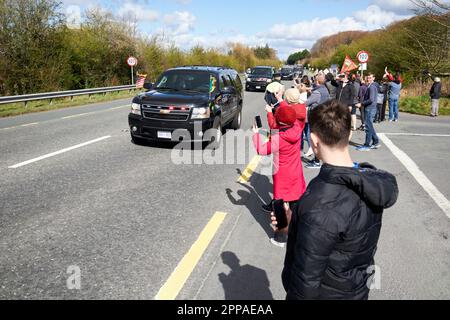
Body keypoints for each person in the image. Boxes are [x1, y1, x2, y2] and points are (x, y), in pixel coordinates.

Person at [272, 100, 399, 300]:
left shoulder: (319, 204)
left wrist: (290, 228)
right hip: (357, 289)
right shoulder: (371, 183)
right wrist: (293, 224)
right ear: (349, 134)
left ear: (314, 140)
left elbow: (306, 281)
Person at [253, 106, 306, 248]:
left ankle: (281, 237)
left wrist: (256, 134)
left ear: (279, 121)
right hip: (296, 172)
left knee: (280, 206)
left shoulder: (279, 138)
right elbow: (283, 122)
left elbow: (262, 149)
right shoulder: (297, 127)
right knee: (295, 203)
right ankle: (297, 232)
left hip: (282, 175)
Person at [304, 73, 331, 169]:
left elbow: (306, 103)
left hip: (314, 117)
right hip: (322, 116)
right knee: (319, 139)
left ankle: (316, 161)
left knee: (314, 140)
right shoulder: (325, 90)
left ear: (317, 81)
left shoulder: (317, 92)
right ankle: (318, 159)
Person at [356, 73, 381, 151]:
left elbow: (371, 99)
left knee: (367, 127)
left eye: (370, 78)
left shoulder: (372, 87)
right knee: (370, 126)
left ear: (373, 78)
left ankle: (367, 145)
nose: (368, 79)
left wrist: (361, 103)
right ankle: (375, 142)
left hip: (370, 108)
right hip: (370, 108)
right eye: (367, 78)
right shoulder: (370, 86)